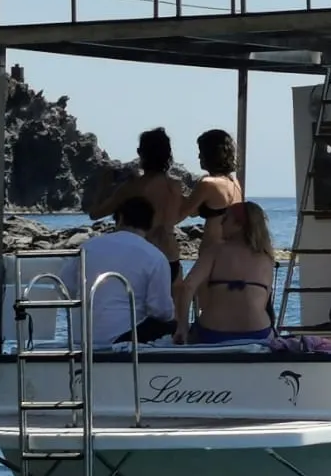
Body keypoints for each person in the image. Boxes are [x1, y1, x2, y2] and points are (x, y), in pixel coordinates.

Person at [59, 196, 176, 346]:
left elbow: (64, 285)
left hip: (81, 335)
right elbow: (162, 311)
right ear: (150, 224)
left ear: (120, 218)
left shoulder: (88, 247)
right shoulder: (156, 257)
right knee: (171, 324)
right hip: (124, 338)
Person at [86, 127, 187, 278]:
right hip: (171, 255)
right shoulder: (176, 186)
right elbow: (189, 211)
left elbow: (95, 213)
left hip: (145, 255)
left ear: (141, 153)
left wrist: (104, 184)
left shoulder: (133, 187)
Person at [174, 201, 277, 344]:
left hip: (214, 332)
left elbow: (188, 286)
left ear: (239, 224)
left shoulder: (215, 251)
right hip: (257, 333)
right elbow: (263, 300)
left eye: (225, 219)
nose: (220, 224)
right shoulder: (266, 258)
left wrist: (182, 327)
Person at [178, 128, 244, 226]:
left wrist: (174, 191)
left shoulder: (207, 183)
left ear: (210, 154)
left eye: (201, 152)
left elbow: (184, 212)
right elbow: (196, 211)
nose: (199, 156)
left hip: (212, 240)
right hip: (228, 239)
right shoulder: (234, 181)